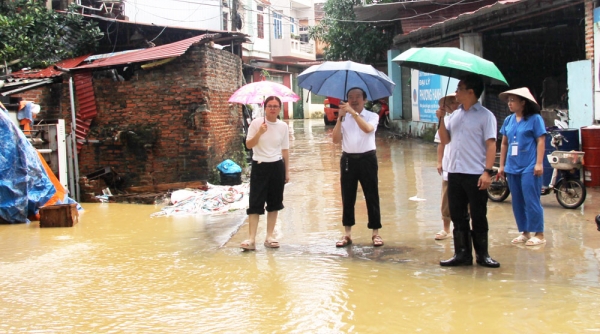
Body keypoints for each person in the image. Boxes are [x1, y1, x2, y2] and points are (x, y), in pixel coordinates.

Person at [436, 74, 500, 268]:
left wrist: (488, 172)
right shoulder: (455, 115)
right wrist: (440, 120)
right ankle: (462, 254)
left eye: (459, 88)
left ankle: (483, 255)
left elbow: (491, 145)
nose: (456, 93)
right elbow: (445, 140)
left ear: (470, 92)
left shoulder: (486, 116)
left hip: (475, 173)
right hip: (455, 172)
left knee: (479, 215)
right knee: (458, 215)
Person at [332, 87, 383, 248]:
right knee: (347, 197)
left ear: (365, 100)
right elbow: (335, 140)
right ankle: (347, 234)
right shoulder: (344, 117)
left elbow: (368, 129)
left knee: (371, 195)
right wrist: (340, 119)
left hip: (367, 159)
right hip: (348, 160)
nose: (354, 100)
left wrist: (353, 114)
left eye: (358, 97)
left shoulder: (372, 116)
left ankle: (375, 233)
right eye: (350, 97)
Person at [497, 88, 546, 246]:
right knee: (517, 200)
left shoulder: (535, 119)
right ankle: (524, 232)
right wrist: (501, 166)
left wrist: (539, 163)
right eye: (509, 100)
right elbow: (504, 143)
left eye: (513, 100)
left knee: (531, 199)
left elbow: (541, 141)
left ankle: (539, 233)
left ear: (523, 102)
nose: (509, 103)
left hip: (529, 166)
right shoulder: (509, 120)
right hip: (512, 166)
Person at [240, 96, 290, 250]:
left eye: (275, 106)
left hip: (276, 167)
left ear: (279, 109)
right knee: (255, 203)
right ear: (265, 107)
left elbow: (285, 150)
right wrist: (259, 132)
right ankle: (251, 239)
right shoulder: (256, 124)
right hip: (259, 165)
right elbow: (248, 145)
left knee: (274, 203)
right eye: (269, 106)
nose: (272, 109)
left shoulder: (283, 126)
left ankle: (269, 237)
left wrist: (287, 172)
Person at [433, 93, 460, 240]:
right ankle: (446, 228)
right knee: (446, 198)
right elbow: (441, 143)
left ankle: (461, 228)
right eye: (450, 102)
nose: (453, 105)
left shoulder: (465, 119)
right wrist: (439, 161)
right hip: (449, 165)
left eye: (455, 102)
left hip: (463, 167)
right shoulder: (446, 120)